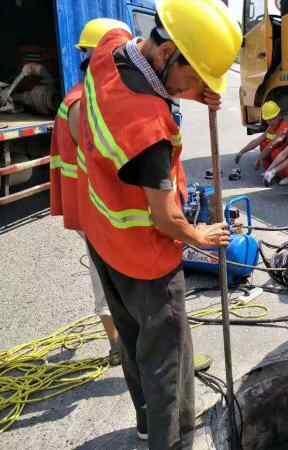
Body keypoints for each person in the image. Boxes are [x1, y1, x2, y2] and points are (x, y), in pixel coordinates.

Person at [74, 0, 241, 448]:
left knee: (132, 342)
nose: (196, 87)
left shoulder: (110, 49)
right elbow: (165, 219)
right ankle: (172, 441)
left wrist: (193, 90)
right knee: (166, 360)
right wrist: (200, 236)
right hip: (146, 261)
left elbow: (141, 90)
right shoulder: (148, 128)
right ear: (168, 55)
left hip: (104, 239)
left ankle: (146, 423)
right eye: (194, 76)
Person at [50, 18, 133, 367]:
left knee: (113, 275)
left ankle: (125, 343)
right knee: (108, 278)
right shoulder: (83, 102)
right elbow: (103, 161)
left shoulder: (87, 95)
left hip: (96, 207)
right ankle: (120, 346)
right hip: (97, 209)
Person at [235, 100, 288, 176]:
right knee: (263, 144)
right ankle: (271, 172)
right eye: (268, 120)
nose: (270, 122)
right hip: (280, 153)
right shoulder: (272, 125)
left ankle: (286, 175)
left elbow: (272, 144)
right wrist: (241, 152)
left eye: (272, 119)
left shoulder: (285, 125)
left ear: (279, 115)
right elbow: (258, 140)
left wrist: (259, 158)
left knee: (275, 152)